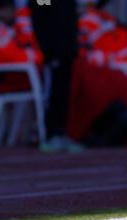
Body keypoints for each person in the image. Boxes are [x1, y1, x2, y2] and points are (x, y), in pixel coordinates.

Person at [29, 0, 84, 153]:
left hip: (67, 49)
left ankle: (61, 132)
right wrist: (47, 48)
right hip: (53, 50)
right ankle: (49, 133)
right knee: (52, 93)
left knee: (63, 92)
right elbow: (40, 13)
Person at [0, 0, 43, 93]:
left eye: (12, 9)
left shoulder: (6, 27)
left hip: (18, 74)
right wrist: (39, 56)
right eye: (7, 9)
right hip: (9, 78)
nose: (11, 13)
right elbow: (6, 57)